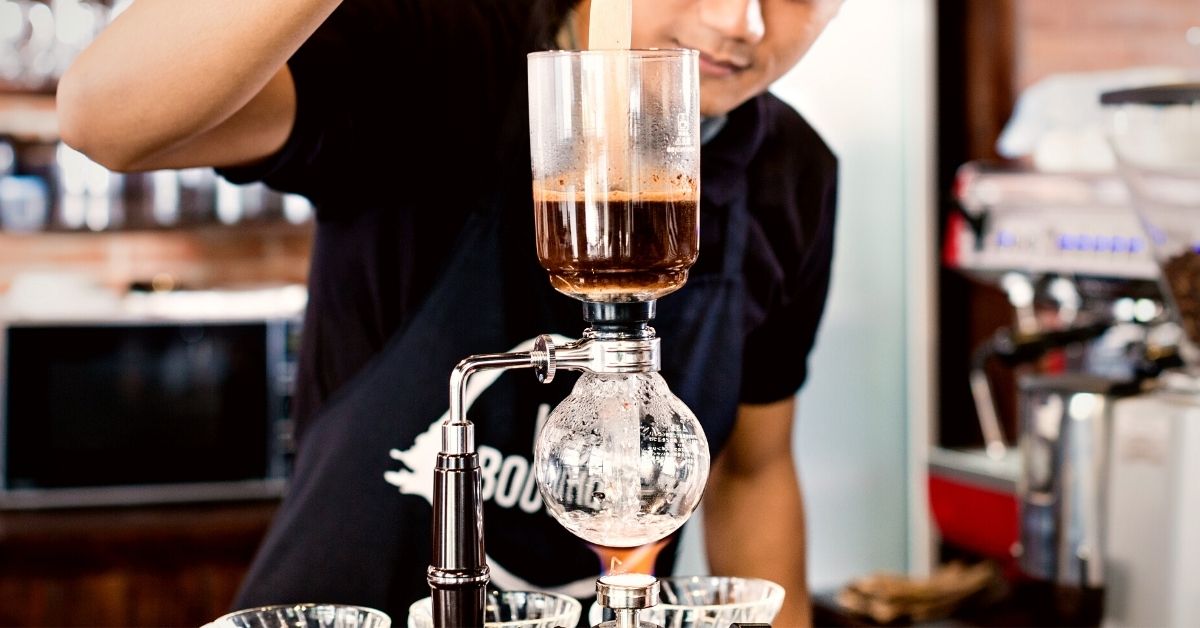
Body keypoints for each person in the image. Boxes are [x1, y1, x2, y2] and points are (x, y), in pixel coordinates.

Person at [57, 0, 843, 625]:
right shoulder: (441, 51)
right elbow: (104, 118)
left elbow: (753, 470)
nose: (742, 20)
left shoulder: (792, 172)